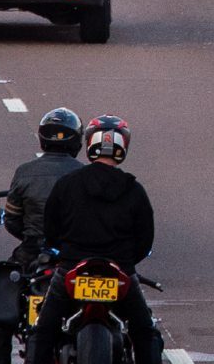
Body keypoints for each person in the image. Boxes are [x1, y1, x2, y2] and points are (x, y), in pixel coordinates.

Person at [28, 115, 159, 364]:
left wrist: (64, 251)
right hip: (119, 269)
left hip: (71, 266)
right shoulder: (134, 189)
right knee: (145, 332)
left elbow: (51, 229)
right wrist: (126, 261)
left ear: (89, 144)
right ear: (123, 147)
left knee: (43, 331)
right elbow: (145, 239)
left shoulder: (67, 184)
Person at [0, 108, 85, 364]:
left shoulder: (25, 171)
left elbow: (12, 220)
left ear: (43, 138)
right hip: (74, 253)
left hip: (32, 251)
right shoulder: (85, 173)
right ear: (77, 141)